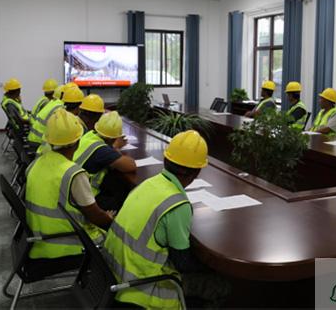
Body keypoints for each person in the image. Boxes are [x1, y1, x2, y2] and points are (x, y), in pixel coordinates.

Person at [104, 130, 228, 309]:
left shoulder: (147, 184)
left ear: (165, 160)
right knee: (221, 285)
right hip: (141, 289)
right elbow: (182, 262)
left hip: (112, 274)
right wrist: (213, 266)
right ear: (196, 172)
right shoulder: (177, 204)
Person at [24, 109, 116, 262]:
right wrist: (109, 218)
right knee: (117, 239)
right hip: (68, 245)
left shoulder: (35, 163)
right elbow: (95, 217)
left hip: (38, 241)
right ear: (78, 142)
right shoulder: (73, 174)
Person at [73, 111, 137, 210]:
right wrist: (116, 146)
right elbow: (131, 165)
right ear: (114, 138)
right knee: (121, 194)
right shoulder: (101, 150)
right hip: (86, 197)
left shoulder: (90, 135)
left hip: (76, 189)